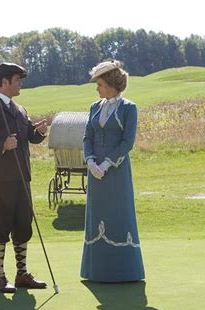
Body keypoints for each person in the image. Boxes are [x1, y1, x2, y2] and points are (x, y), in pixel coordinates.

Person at [0, 62, 48, 293]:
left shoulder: (20, 109)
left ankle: (22, 274)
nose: (20, 83)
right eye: (17, 79)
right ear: (4, 82)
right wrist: (1, 145)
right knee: (0, 226)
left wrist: (38, 133)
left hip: (23, 178)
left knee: (23, 225)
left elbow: (28, 137)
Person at [81, 60, 145, 282]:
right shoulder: (94, 107)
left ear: (110, 84)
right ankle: (97, 271)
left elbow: (127, 142)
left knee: (118, 213)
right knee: (97, 214)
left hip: (116, 171)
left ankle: (123, 272)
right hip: (94, 170)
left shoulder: (129, 108)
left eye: (99, 84)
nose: (97, 89)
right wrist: (90, 162)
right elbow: (87, 137)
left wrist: (107, 164)